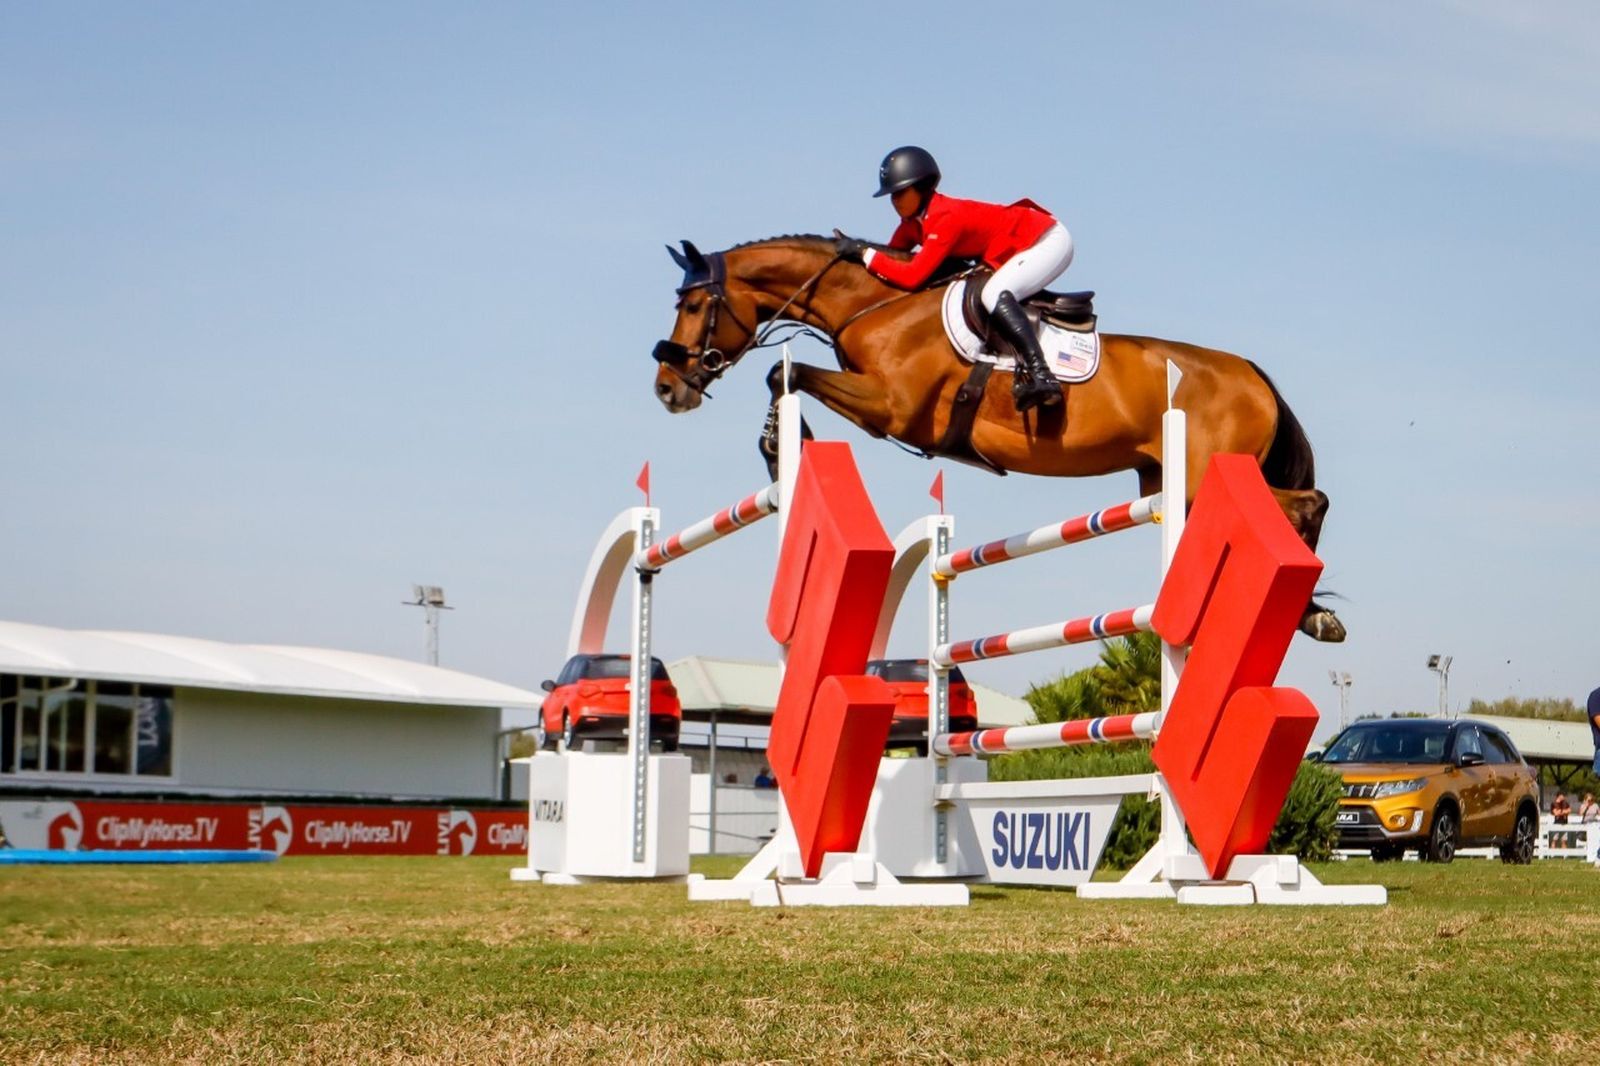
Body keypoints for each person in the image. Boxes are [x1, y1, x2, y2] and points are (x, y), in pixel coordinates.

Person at [833, 145, 1074, 414]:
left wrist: (864, 253)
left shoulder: (945, 218)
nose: (895, 201)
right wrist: (856, 255)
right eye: (891, 195)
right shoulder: (912, 224)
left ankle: (1042, 375)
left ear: (921, 187)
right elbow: (894, 259)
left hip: (1046, 239)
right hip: (1021, 243)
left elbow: (912, 277)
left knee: (993, 293)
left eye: (900, 192)